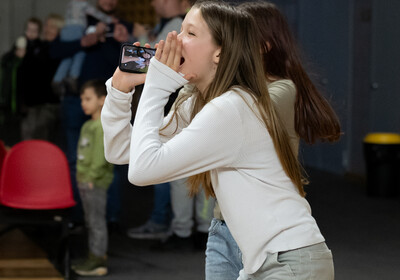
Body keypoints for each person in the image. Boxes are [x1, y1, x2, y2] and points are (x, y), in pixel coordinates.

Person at [102, 1, 335, 280]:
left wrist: (157, 86)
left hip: (289, 260)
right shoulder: (203, 104)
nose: (174, 38)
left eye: (190, 33)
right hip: (262, 262)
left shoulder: (233, 107)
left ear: (219, 53)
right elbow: (120, 151)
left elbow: (142, 171)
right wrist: (119, 92)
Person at [204, 1, 342, 279]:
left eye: (235, 40)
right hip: (224, 229)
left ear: (262, 47)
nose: (225, 47)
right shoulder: (231, 91)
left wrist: (203, 75)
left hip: (270, 235)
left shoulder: (283, 90)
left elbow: (240, 113)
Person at [49, 0, 132, 225]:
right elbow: (54, 51)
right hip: (76, 102)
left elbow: (132, 65)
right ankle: (78, 214)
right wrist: (83, 42)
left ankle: (110, 217)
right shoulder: (77, 24)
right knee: (77, 159)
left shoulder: (122, 27)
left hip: (109, 104)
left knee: (112, 160)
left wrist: (118, 41)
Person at [126, 0, 191, 241]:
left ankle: (167, 224)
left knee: (165, 168)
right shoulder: (169, 25)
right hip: (166, 105)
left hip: (170, 106)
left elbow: (147, 65)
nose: (154, 2)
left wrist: (140, 42)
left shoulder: (176, 26)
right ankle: (175, 224)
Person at [73, 79, 114, 276]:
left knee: (96, 221)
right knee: (90, 220)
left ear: (102, 100)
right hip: (85, 181)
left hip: (94, 182)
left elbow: (101, 156)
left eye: (88, 98)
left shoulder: (102, 126)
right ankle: (92, 256)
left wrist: (91, 176)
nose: (83, 103)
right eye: (82, 99)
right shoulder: (88, 125)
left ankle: (98, 260)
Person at [52, 0, 114, 96]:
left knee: (68, 58)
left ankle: (58, 79)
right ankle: (73, 76)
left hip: (67, 30)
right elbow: (96, 13)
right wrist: (109, 20)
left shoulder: (71, 4)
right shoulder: (84, 6)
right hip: (77, 29)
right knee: (79, 54)